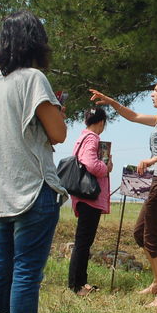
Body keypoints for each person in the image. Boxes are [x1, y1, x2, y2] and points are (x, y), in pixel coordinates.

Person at [0, 10, 66, 313]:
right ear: (36, 42)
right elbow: (58, 134)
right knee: (26, 274)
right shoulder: (34, 79)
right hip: (33, 188)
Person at [89, 80, 157, 307]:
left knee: (153, 238)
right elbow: (133, 116)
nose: (152, 94)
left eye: (156, 91)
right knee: (140, 233)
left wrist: (154, 159)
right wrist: (111, 101)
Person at [67, 107, 113, 296]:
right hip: (90, 197)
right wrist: (107, 167)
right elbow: (91, 163)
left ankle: (79, 282)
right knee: (83, 242)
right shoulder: (93, 138)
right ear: (101, 122)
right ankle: (77, 285)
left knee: (83, 241)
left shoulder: (82, 137)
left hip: (82, 196)